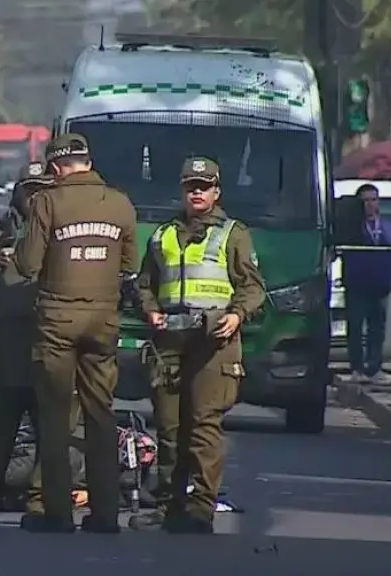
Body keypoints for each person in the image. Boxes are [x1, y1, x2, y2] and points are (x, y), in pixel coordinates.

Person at [128, 157, 265, 535]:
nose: (197, 193)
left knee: (204, 425)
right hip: (170, 341)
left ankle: (201, 508)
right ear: (183, 191)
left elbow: (253, 288)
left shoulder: (233, 233)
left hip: (214, 341)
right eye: (191, 186)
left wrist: (237, 316)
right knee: (170, 428)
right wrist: (150, 311)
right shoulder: (163, 235)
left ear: (217, 191)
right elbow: (144, 284)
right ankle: (171, 505)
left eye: (204, 186)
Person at [14, 133, 138, 534]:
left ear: (55, 168)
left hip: (57, 322)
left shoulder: (48, 202)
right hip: (103, 322)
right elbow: (130, 265)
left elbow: (27, 264)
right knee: (101, 416)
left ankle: (58, 513)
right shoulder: (121, 203)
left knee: (55, 419)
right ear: (88, 161)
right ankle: (104, 514)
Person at [0, 163, 83, 529]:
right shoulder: (0, 230)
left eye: (42, 189)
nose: (34, 197)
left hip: (49, 346)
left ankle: (42, 505)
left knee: (53, 432)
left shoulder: (66, 231)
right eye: (29, 190)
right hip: (3, 349)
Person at [342, 184, 391, 384]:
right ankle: (357, 368)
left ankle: (374, 368)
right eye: (365, 200)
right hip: (357, 283)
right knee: (356, 327)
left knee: (378, 328)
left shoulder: (388, 226)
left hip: (380, 284)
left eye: (373, 199)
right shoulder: (351, 226)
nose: (370, 204)